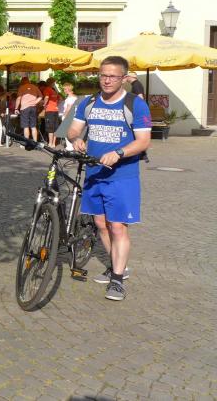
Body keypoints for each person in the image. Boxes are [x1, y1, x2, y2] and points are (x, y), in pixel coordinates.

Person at [67, 56, 152, 301]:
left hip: (122, 176)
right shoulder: (89, 102)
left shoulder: (135, 104)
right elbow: (73, 129)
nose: (106, 80)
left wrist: (119, 153)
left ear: (124, 78)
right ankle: (118, 267)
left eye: (112, 76)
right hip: (94, 173)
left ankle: (117, 279)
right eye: (103, 75)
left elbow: (143, 141)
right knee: (101, 224)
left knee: (117, 226)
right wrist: (76, 139)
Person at [16, 76, 42, 143]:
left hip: (25, 108)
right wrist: (35, 102)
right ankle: (35, 142)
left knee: (26, 126)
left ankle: (27, 142)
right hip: (33, 107)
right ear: (28, 80)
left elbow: (18, 98)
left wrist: (16, 108)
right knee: (33, 126)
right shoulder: (35, 87)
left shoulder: (21, 87)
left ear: (23, 81)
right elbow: (41, 96)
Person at [57, 82, 79, 150]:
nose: (64, 91)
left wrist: (64, 116)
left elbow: (68, 108)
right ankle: (74, 146)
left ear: (67, 89)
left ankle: (70, 147)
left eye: (64, 89)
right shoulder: (75, 97)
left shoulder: (70, 98)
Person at [42, 77, 61, 146]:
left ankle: (50, 143)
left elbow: (46, 97)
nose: (54, 84)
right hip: (56, 110)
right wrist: (56, 104)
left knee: (50, 127)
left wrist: (44, 104)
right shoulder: (54, 91)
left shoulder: (47, 89)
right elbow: (59, 98)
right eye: (54, 83)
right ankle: (53, 143)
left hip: (49, 110)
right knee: (55, 127)